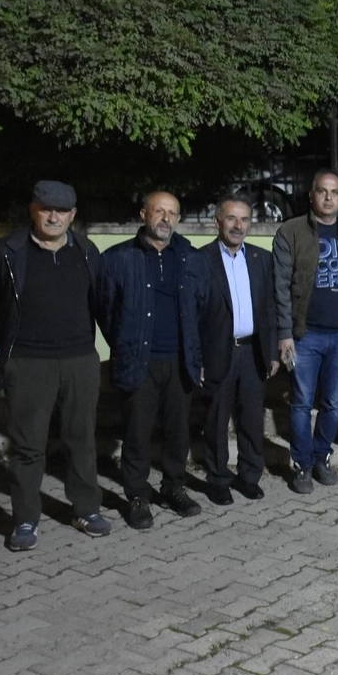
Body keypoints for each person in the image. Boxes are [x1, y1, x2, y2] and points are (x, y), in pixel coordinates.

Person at [0, 180, 112, 551]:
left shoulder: (86, 251)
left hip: (80, 361)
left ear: (73, 214)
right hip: (28, 363)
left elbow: (101, 302)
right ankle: (25, 520)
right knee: (28, 446)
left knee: (81, 440)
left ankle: (86, 510)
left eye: (62, 210)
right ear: (32, 209)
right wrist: (14, 348)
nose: (53, 217)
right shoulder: (5, 251)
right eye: (46, 209)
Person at [99, 191, 206, 528]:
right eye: (159, 211)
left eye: (172, 213)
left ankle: (174, 487)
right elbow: (105, 310)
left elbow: (200, 306)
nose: (165, 218)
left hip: (179, 361)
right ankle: (137, 496)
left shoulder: (190, 257)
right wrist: (126, 344)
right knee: (136, 433)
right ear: (143, 214)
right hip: (139, 362)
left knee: (178, 432)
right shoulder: (118, 258)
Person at [273, 170, 338, 495]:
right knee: (301, 403)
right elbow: (280, 286)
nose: (328, 197)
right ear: (311, 195)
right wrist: (285, 333)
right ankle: (302, 464)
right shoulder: (291, 231)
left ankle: (322, 457)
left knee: (333, 402)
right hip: (303, 335)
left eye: (334, 192)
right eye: (322, 191)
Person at [199, 193, 278, 505]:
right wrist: (196, 358)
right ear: (217, 221)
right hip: (218, 351)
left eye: (244, 219)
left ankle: (248, 476)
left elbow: (269, 308)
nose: (238, 225)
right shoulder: (201, 259)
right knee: (216, 420)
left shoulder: (261, 259)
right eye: (231, 218)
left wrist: (271, 352)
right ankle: (217, 479)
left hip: (252, 352)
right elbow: (193, 313)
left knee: (251, 419)